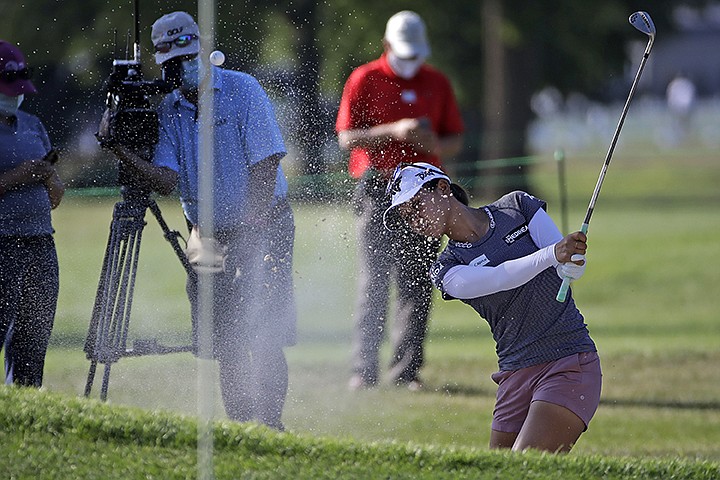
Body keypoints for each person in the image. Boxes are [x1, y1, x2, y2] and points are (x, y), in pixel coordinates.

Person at [105, 12, 296, 430]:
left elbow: (266, 164)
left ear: (203, 50)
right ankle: (241, 424)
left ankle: (270, 423)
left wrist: (251, 226)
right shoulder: (171, 108)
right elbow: (167, 181)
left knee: (261, 325)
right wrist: (120, 151)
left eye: (190, 57)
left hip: (264, 220)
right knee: (222, 332)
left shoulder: (242, 89)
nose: (184, 68)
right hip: (205, 231)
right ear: (162, 63)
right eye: (174, 62)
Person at [384, 162, 601, 453]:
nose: (414, 220)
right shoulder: (445, 269)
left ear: (443, 187)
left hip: (567, 361)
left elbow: (566, 261)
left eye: (416, 205)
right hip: (514, 375)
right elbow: (501, 277)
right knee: (500, 470)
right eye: (406, 216)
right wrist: (553, 255)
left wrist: (573, 263)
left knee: (526, 466)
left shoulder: (517, 207)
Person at [335, 10, 464, 390]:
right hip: (377, 188)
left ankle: (406, 371)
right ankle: (364, 369)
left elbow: (453, 139)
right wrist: (395, 131)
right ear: (387, 46)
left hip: (426, 191)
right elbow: (346, 138)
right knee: (372, 282)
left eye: (415, 55)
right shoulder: (364, 78)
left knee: (418, 282)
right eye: (403, 54)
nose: (410, 62)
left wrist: (433, 144)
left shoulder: (437, 81)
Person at [0, 40, 65, 387]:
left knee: (32, 341)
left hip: (40, 244)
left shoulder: (32, 124)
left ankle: (24, 406)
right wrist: (19, 177)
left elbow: (54, 198)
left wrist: (50, 178)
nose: (14, 96)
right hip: (2, 244)